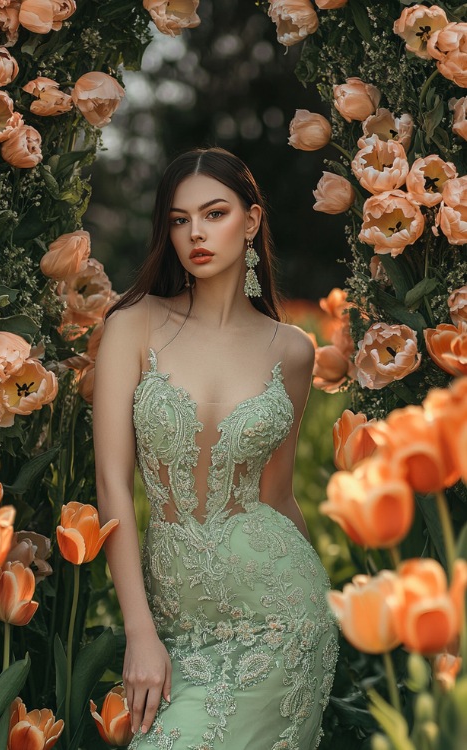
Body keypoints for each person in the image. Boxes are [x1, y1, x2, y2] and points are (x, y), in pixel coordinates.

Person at [93, 147, 339, 750]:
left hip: (285, 620)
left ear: (251, 222)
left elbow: (277, 496)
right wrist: (139, 631)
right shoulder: (135, 324)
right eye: (179, 220)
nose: (195, 233)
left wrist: (335, 608)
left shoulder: (292, 350)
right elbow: (110, 484)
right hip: (173, 626)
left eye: (214, 213)